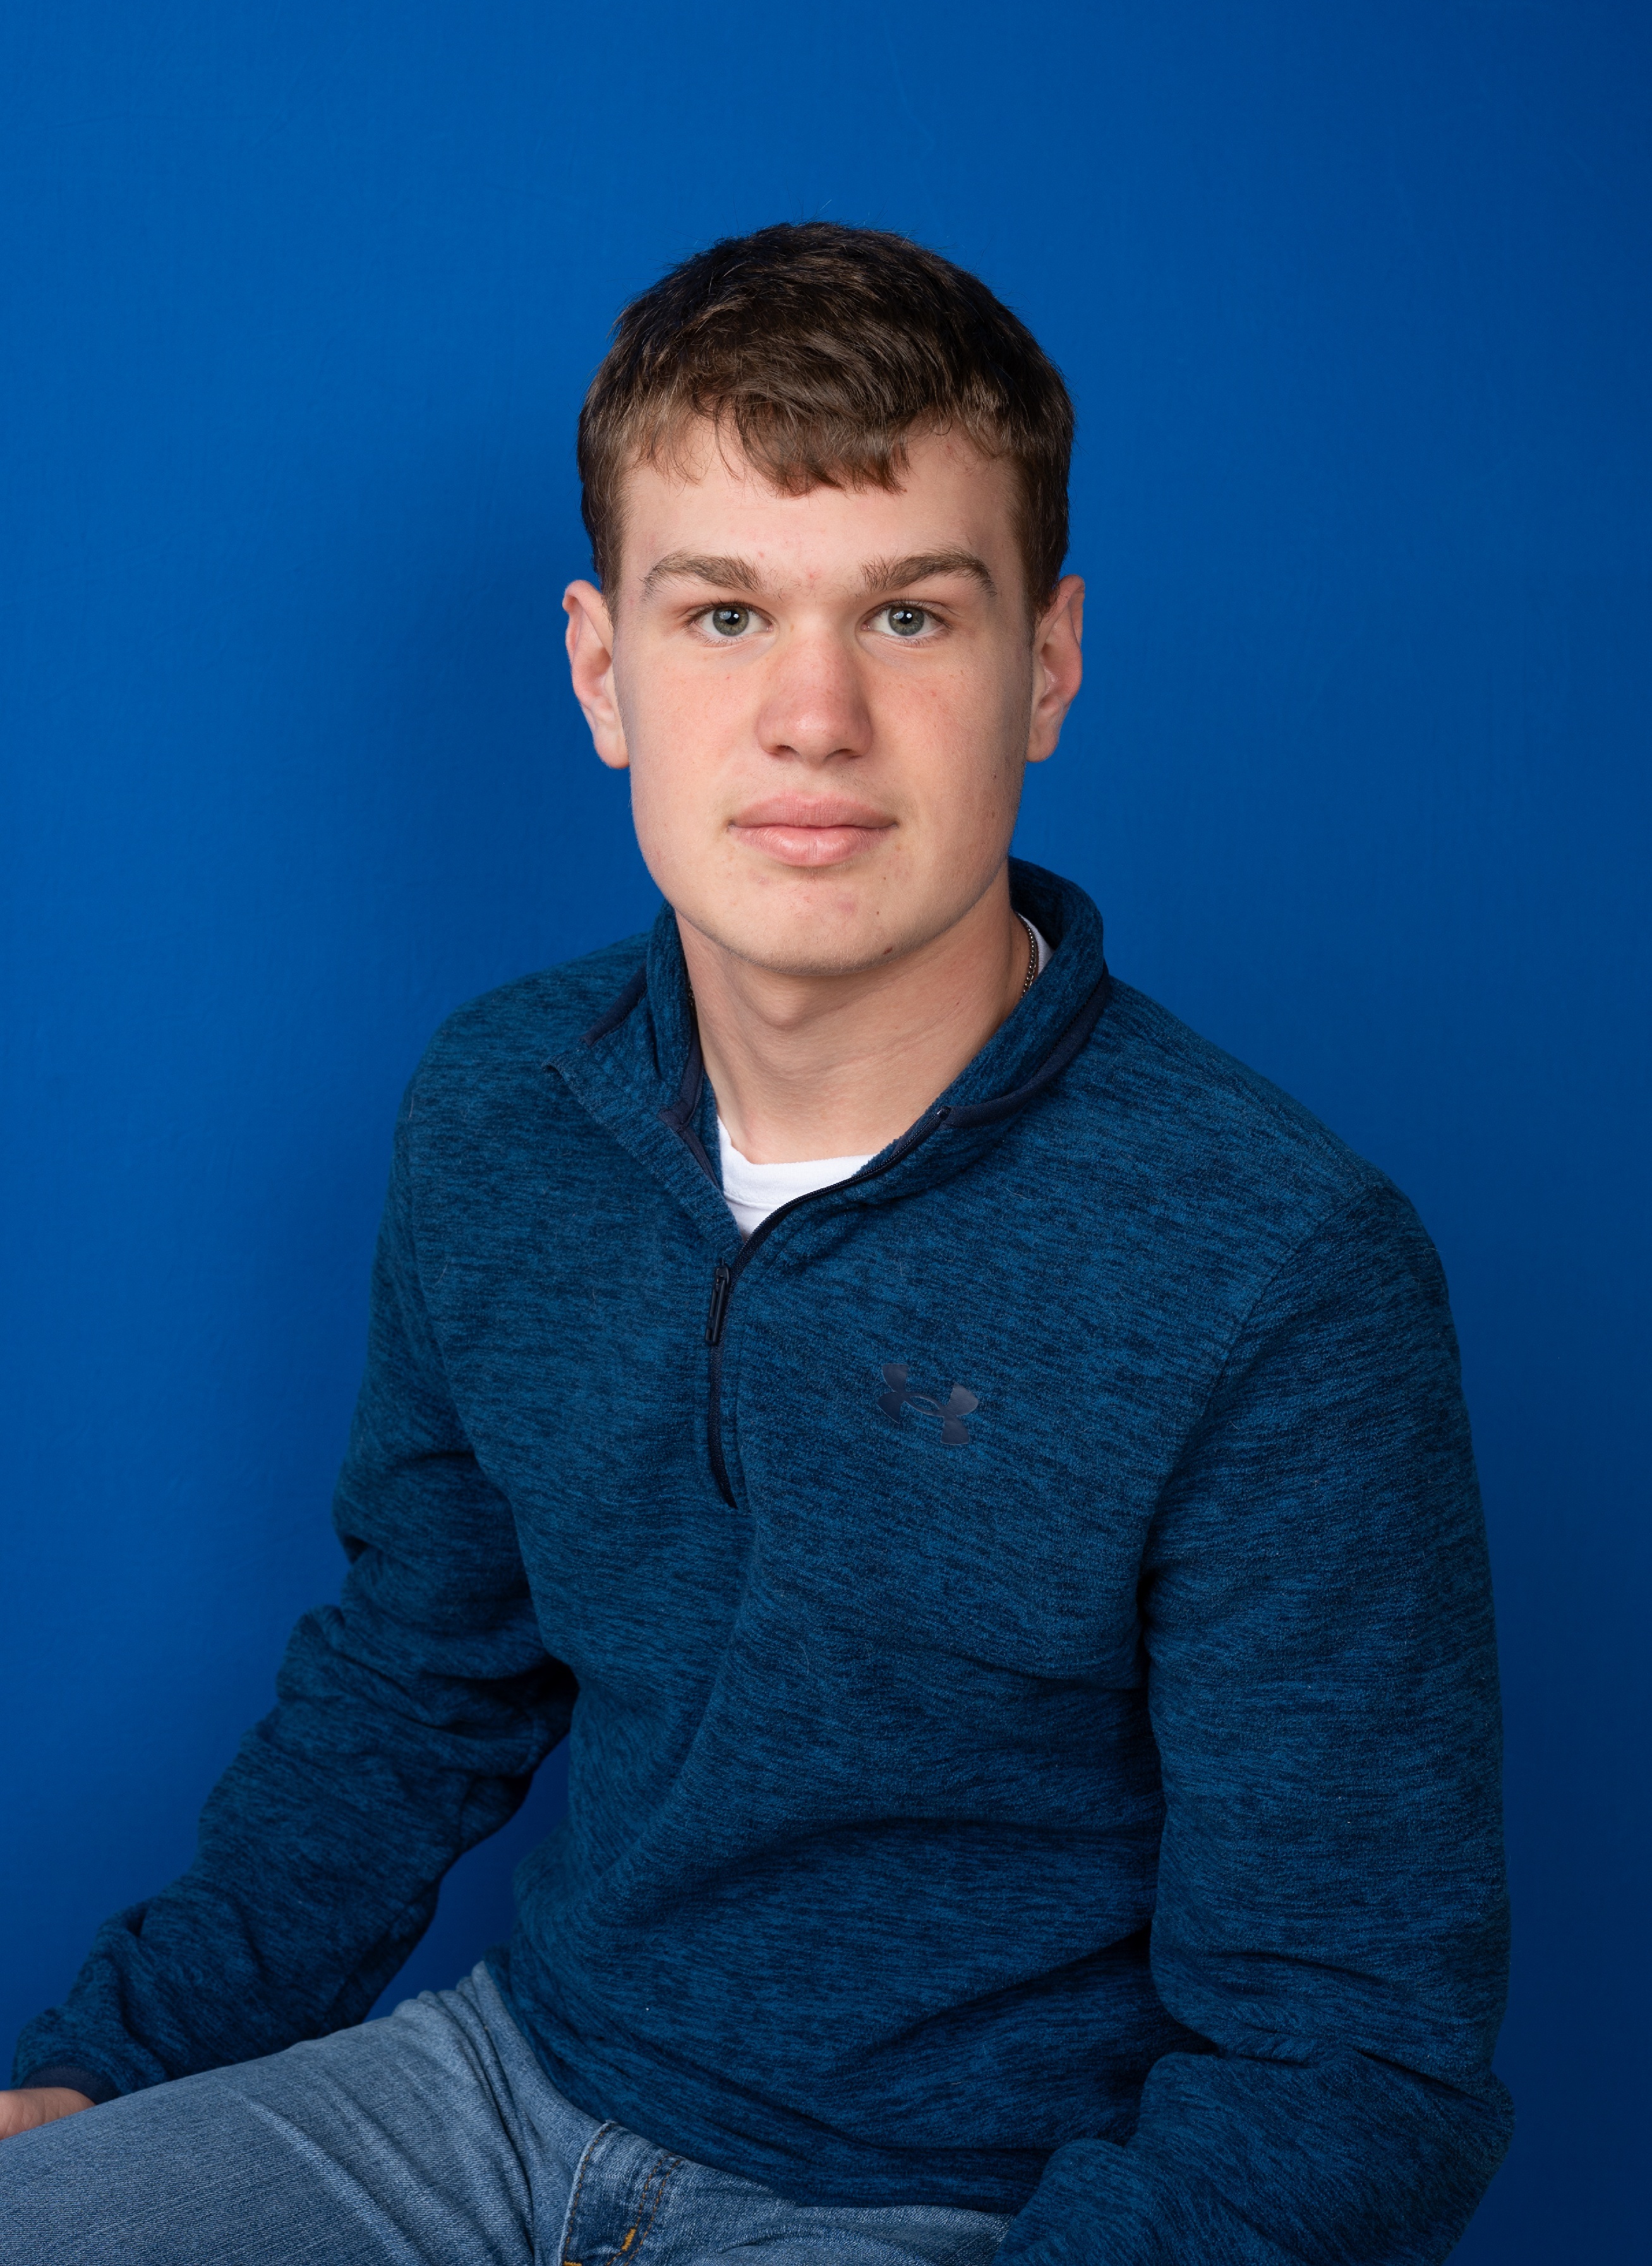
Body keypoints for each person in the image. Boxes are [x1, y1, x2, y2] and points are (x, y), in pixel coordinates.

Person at [2, 222, 1511, 2263]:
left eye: (908, 613)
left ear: (1046, 666)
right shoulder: (502, 1110)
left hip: (955, 2205)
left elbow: (1352, 2061)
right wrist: (109, 2074)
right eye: (724, 613)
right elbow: (415, 1691)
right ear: (600, 670)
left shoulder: (1280, 1268)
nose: (815, 714)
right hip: (494, 2094)